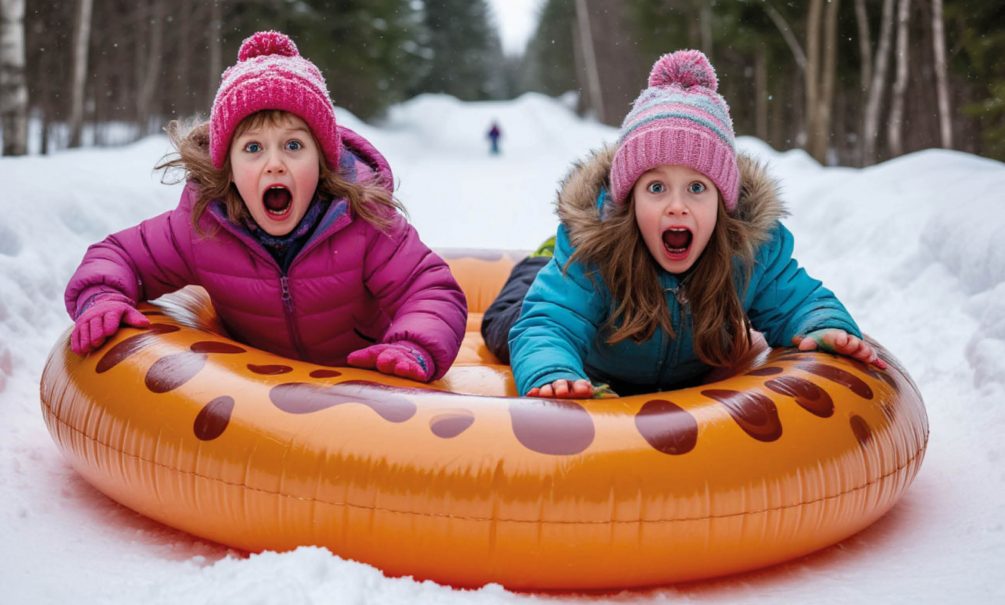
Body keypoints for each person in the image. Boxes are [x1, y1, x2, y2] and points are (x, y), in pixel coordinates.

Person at [64, 31, 466, 383]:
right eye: (253, 148)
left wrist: (412, 346)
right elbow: (118, 255)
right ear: (230, 167)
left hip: (360, 391)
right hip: (253, 399)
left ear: (322, 160)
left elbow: (429, 288)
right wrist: (102, 297)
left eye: (293, 146)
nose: (275, 163)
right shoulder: (202, 228)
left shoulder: (365, 224)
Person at [485, 49, 885, 398]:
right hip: (592, 352)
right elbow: (549, 323)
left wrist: (823, 325)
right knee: (509, 326)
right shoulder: (594, 255)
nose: (677, 206)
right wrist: (554, 371)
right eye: (657, 187)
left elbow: (798, 300)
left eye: (696, 187)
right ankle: (538, 263)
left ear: (723, 202)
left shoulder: (749, 254)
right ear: (630, 199)